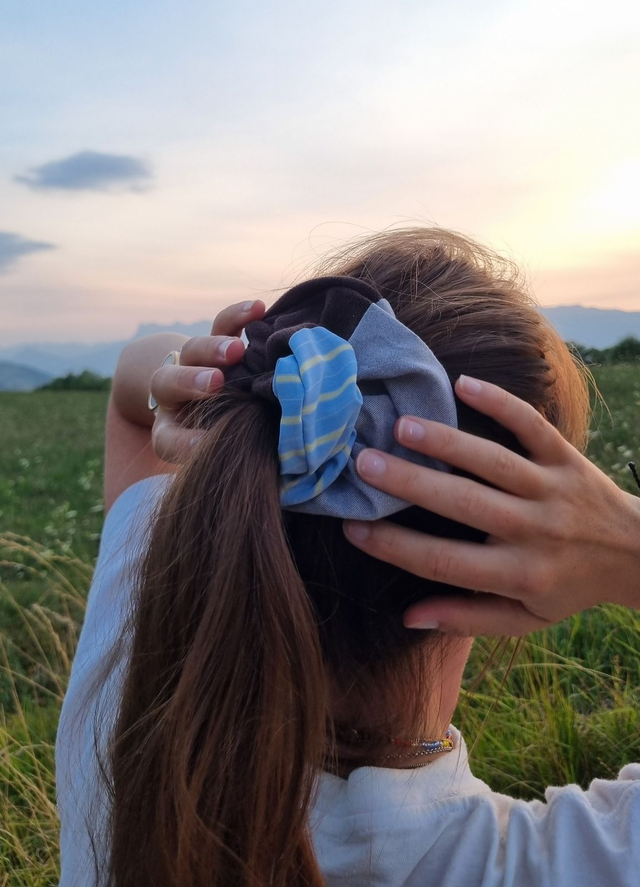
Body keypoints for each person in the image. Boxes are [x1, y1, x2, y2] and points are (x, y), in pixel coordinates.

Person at [55, 227, 640, 887]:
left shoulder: (132, 678)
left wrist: (216, 375)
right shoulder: (577, 861)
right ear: (511, 570)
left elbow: (133, 401)